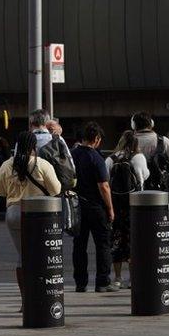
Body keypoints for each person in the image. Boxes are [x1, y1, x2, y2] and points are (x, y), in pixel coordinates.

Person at [0, 131, 61, 300]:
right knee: (40, 255)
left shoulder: (7, 165)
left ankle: (25, 299)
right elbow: (56, 190)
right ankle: (39, 294)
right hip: (39, 215)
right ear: (34, 146)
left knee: (22, 256)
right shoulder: (43, 164)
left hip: (14, 213)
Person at [131, 112, 169, 283]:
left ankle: (142, 268)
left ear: (133, 125)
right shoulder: (162, 141)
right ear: (151, 123)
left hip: (136, 194)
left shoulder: (129, 140)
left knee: (139, 232)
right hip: (162, 194)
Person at [70, 122, 117, 293]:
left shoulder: (72, 155)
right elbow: (103, 186)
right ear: (96, 139)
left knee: (79, 245)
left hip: (77, 207)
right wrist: (110, 209)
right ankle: (102, 281)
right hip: (96, 207)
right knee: (103, 244)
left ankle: (80, 282)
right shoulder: (96, 157)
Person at [105, 130, 148, 290]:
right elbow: (144, 176)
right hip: (133, 206)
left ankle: (117, 278)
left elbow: (106, 181)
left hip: (116, 205)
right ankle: (132, 278)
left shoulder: (111, 158)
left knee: (116, 240)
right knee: (133, 240)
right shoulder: (138, 157)